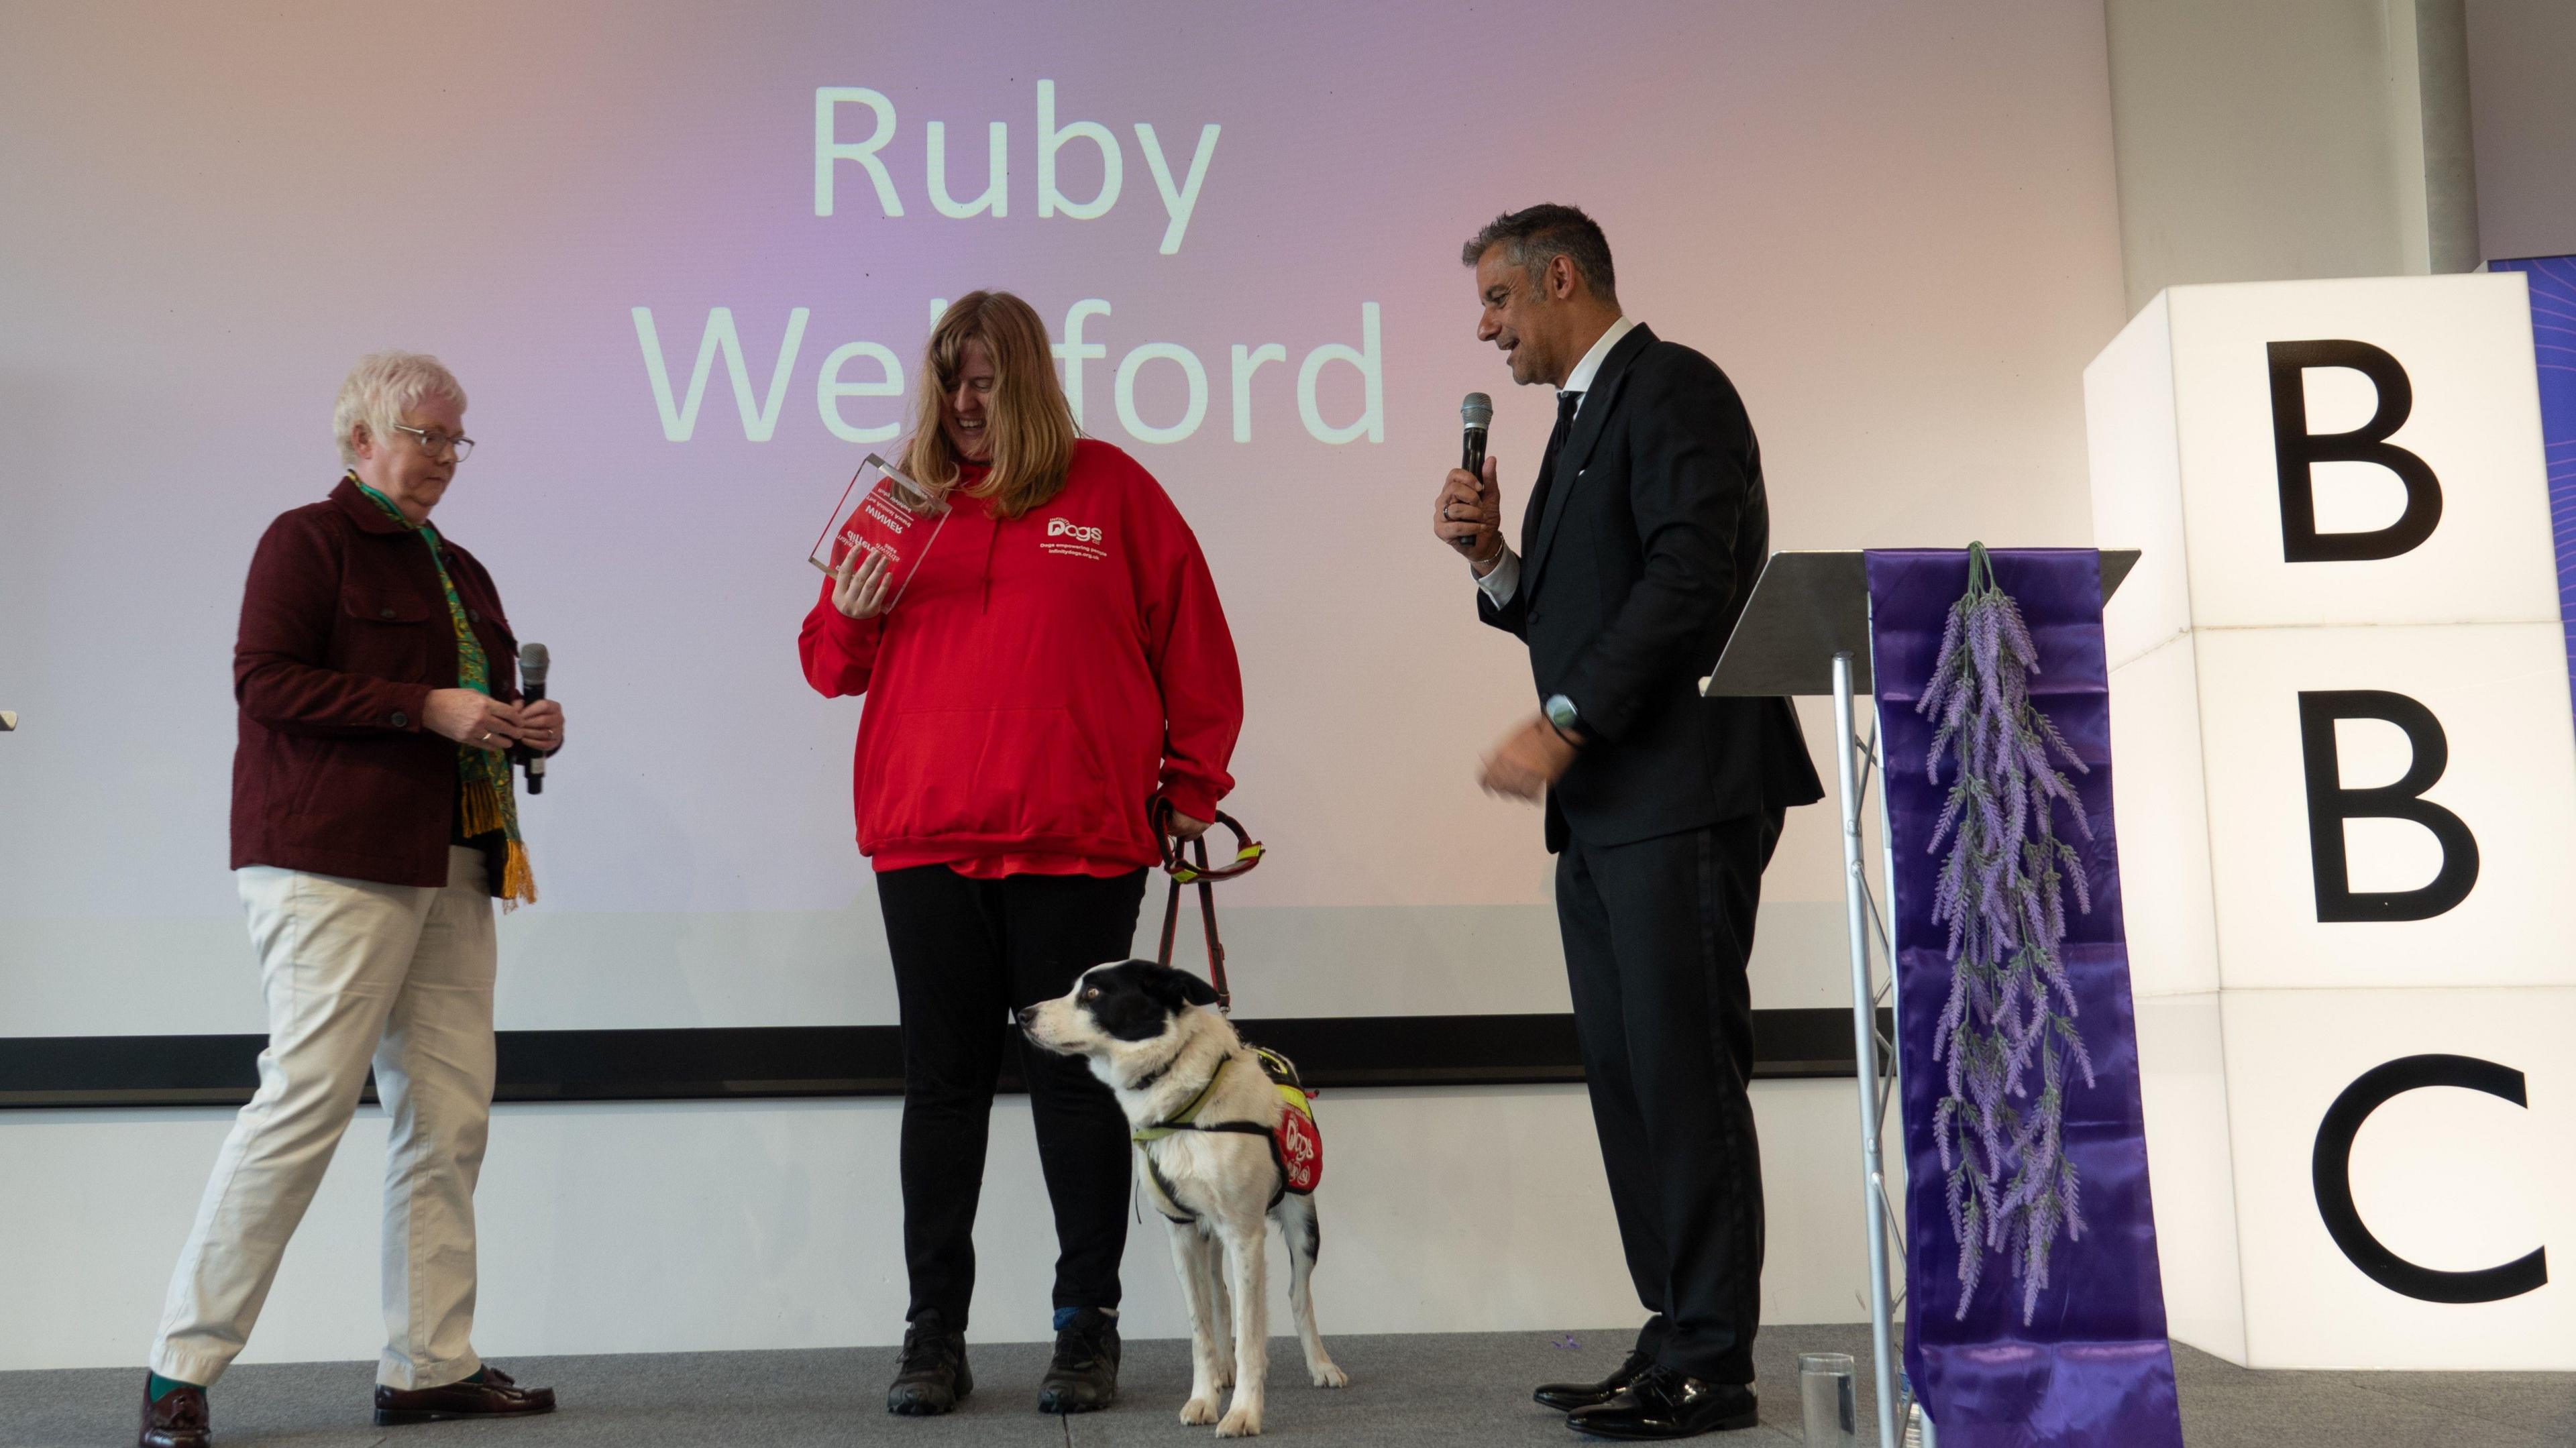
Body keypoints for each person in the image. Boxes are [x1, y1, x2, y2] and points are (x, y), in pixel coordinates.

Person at [799, 290, 1244, 1418]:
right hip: (927, 837)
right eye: (949, 379)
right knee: (941, 1090)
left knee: (1076, 1092)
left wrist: (1191, 787)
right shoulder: (901, 504)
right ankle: (932, 1337)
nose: (962, 403)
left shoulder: (1116, 490)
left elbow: (1195, 644)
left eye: (985, 379)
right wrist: (852, 613)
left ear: (1031, 380)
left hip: (1080, 838)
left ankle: (1083, 1329)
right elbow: (824, 662)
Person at [1432, 207, 1823, 1440]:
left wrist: (1569, 718)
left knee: (1686, 1074)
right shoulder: (1579, 423)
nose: (1487, 330)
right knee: (1632, 1083)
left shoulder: (1675, 388)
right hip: (1611, 809)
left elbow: (1691, 577)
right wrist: (1496, 559)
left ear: (1560, 278)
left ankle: (1715, 1357)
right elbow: (1570, 600)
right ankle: (1675, 1339)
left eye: (1498, 300)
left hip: (1682, 791)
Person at [140, 352, 564, 1448]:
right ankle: (177, 1370)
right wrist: (421, 705)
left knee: (448, 1116)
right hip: (335, 860)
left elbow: (473, 704)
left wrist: (523, 725)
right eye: (429, 435)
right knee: (304, 1104)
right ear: (363, 435)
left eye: (457, 440)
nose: (447, 458)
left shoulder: (459, 566)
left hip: (458, 858)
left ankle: (429, 1365)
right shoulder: (306, 540)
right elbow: (264, 680)